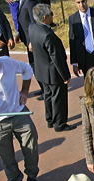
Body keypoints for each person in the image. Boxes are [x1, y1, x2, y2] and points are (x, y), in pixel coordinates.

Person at [0, 56, 44, 181]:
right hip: (0, 122)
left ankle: (31, 177)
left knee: (31, 146)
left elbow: (27, 69)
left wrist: (24, 91)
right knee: (6, 157)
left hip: (19, 112)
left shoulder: (7, 62)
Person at [29, 4, 76, 132]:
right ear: (44, 17)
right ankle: (59, 123)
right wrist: (65, 75)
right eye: (51, 14)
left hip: (41, 71)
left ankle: (50, 119)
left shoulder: (32, 27)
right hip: (53, 72)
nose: (52, 16)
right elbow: (56, 57)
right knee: (58, 98)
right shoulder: (47, 35)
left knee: (48, 95)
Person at [17, 0, 44, 100]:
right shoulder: (22, 2)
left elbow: (34, 22)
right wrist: (18, 34)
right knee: (34, 65)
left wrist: (32, 41)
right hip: (28, 41)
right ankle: (43, 88)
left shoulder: (30, 2)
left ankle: (46, 90)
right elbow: (23, 21)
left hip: (32, 42)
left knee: (37, 65)